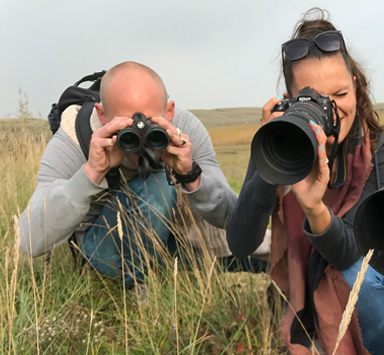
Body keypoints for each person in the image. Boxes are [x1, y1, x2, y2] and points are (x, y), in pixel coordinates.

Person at [225, 10, 384, 355]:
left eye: (340, 94)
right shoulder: (280, 141)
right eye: (314, 99)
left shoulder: (378, 150)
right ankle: (321, 342)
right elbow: (241, 243)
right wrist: (273, 163)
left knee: (357, 278)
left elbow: (356, 249)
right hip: (310, 270)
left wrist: (315, 207)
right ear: (289, 100)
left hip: (375, 269)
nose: (333, 109)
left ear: (356, 87)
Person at [18, 61, 244, 286]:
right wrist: (91, 173)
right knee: (157, 186)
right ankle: (138, 287)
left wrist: (191, 176)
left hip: (172, 234)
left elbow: (232, 219)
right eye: (128, 130)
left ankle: (166, 270)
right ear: (102, 115)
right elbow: (29, 240)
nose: (142, 142)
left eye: (152, 127)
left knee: (254, 249)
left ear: (170, 111)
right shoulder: (74, 137)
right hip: (107, 248)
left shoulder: (185, 129)